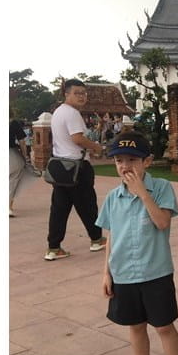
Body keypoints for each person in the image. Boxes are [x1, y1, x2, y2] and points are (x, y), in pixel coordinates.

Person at [95, 132, 178, 355]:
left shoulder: (161, 187)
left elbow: (162, 222)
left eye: (133, 160)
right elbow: (111, 236)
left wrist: (142, 193)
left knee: (163, 326)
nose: (125, 166)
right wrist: (106, 273)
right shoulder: (113, 197)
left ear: (146, 161)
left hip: (155, 271)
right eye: (119, 160)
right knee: (135, 326)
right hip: (123, 273)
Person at [45, 79, 107, 261]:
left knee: (59, 209)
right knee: (87, 205)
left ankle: (53, 247)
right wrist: (97, 147)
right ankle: (96, 239)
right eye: (77, 93)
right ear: (67, 93)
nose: (82, 96)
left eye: (84, 93)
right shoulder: (72, 114)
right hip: (77, 167)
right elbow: (78, 139)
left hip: (61, 168)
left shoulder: (58, 112)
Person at [9, 112, 30, 217]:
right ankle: (8, 206)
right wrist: (24, 155)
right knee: (13, 180)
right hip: (11, 153)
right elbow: (22, 141)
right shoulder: (13, 123)